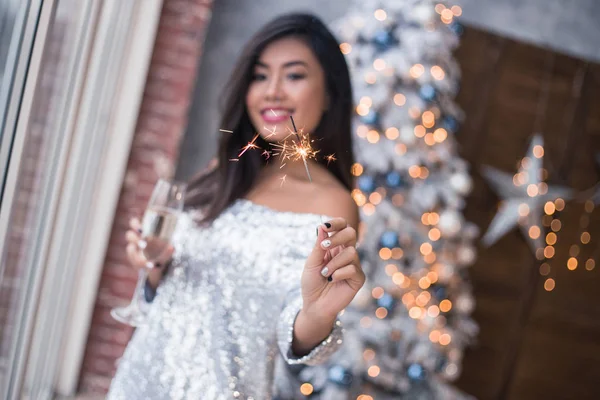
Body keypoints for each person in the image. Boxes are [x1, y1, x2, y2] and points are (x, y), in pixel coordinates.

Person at [107, 12, 364, 400]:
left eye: (293, 75)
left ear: (329, 94)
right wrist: (158, 263)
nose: (272, 91)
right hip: (139, 382)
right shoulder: (224, 171)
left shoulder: (332, 202)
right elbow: (171, 297)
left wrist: (318, 315)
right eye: (260, 75)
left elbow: (296, 335)